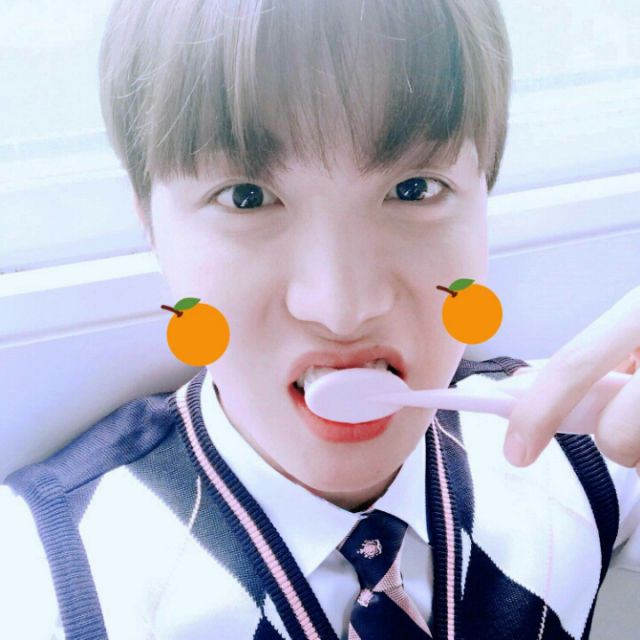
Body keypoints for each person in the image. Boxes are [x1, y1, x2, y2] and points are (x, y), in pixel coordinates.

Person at [1, 1, 638, 638]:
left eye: (414, 188)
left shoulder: (584, 447)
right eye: (247, 197)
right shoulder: (48, 576)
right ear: (150, 224)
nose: (341, 309)